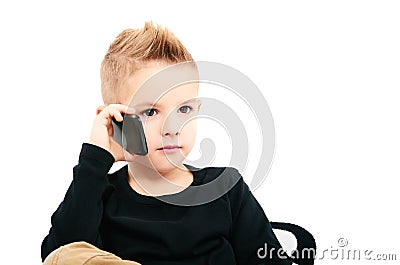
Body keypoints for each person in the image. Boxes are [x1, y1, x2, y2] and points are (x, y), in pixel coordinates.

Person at [41, 21, 292, 265]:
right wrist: (96, 158)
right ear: (113, 120)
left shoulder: (225, 189)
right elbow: (62, 254)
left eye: (184, 109)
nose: (172, 128)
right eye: (150, 112)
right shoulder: (100, 198)